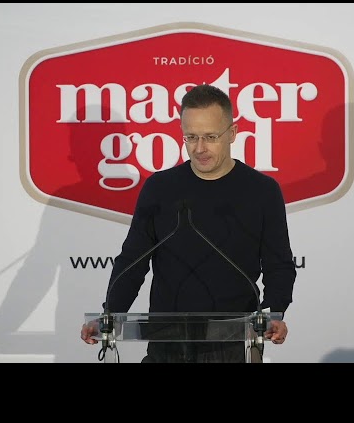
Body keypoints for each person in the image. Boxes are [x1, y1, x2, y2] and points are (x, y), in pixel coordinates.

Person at [81, 84, 297, 362]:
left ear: (232, 133)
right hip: (166, 342)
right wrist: (109, 314)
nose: (199, 148)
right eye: (191, 137)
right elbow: (132, 261)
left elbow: (279, 265)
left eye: (210, 137)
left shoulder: (262, 191)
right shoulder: (160, 189)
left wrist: (274, 312)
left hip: (231, 344)